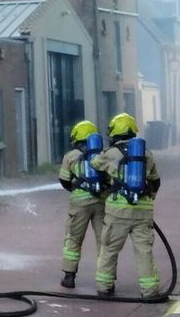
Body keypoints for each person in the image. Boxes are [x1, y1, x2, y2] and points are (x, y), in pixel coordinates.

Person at [93, 112, 162, 298]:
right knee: (144, 251)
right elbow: (155, 181)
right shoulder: (146, 154)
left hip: (118, 211)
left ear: (114, 132)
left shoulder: (110, 153)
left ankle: (104, 287)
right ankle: (150, 291)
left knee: (109, 249)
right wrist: (147, 200)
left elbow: (94, 165)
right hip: (143, 211)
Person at [57, 120, 107, 288]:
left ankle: (69, 277)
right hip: (101, 202)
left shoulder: (70, 156)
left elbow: (64, 180)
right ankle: (106, 281)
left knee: (73, 239)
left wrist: (76, 188)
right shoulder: (103, 154)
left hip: (79, 203)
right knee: (103, 241)